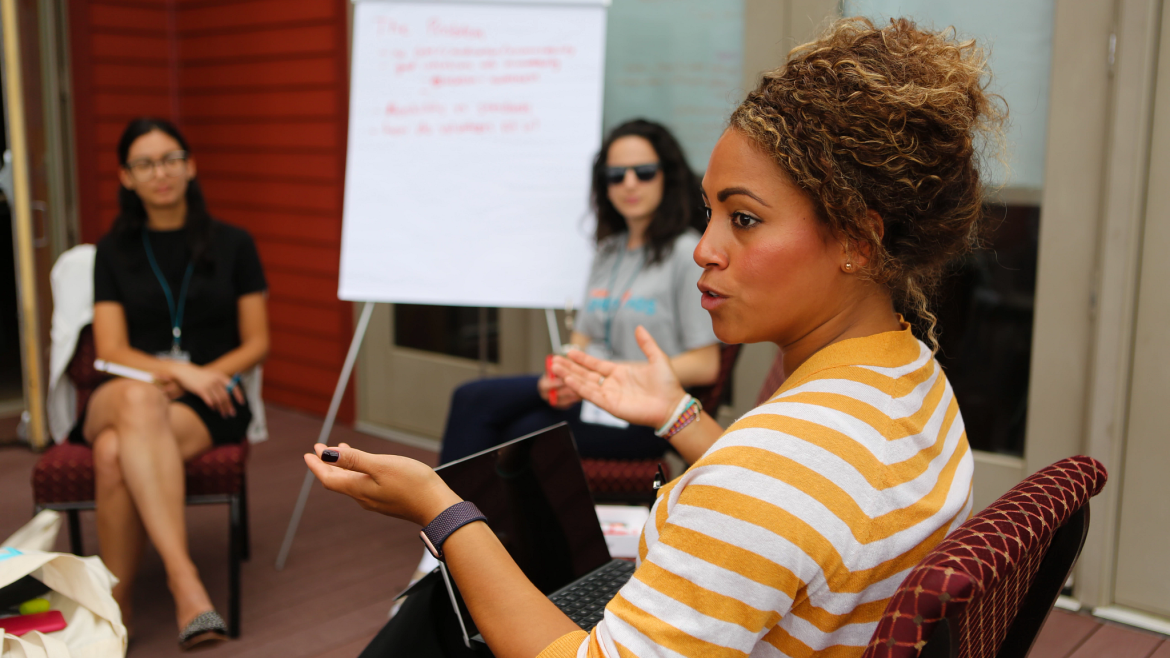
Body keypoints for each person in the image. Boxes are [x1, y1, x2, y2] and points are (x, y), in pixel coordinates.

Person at [306, 16, 1000, 657]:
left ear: (856, 237)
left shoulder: (777, 467)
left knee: (439, 606)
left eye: (745, 219)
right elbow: (805, 508)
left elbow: (773, 489)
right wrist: (677, 414)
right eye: (710, 213)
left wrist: (444, 512)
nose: (705, 249)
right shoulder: (910, 376)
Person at [75, 117, 269, 650]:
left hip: (206, 400)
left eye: (170, 159)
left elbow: (256, 342)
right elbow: (111, 350)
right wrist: (180, 370)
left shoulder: (234, 243)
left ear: (189, 165)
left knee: (115, 454)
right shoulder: (112, 251)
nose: (159, 172)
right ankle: (186, 583)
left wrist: (206, 378)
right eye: (144, 163)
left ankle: (117, 605)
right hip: (126, 389)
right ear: (126, 177)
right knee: (137, 400)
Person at [438, 119, 720, 464]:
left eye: (644, 172)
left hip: (641, 407)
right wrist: (561, 380)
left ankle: (452, 515)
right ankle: (453, 516)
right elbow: (580, 341)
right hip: (590, 394)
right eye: (616, 175)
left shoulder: (686, 253)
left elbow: (706, 365)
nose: (629, 183)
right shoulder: (608, 251)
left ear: (667, 177)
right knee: (471, 398)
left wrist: (616, 373)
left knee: (517, 431)